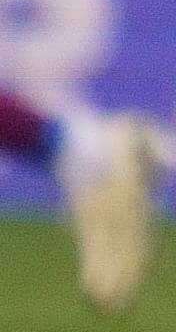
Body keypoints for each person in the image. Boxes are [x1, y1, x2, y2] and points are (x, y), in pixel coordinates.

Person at [0, 87, 164, 312]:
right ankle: (108, 288)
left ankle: (110, 287)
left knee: (111, 231)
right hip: (80, 153)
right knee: (107, 232)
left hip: (90, 153)